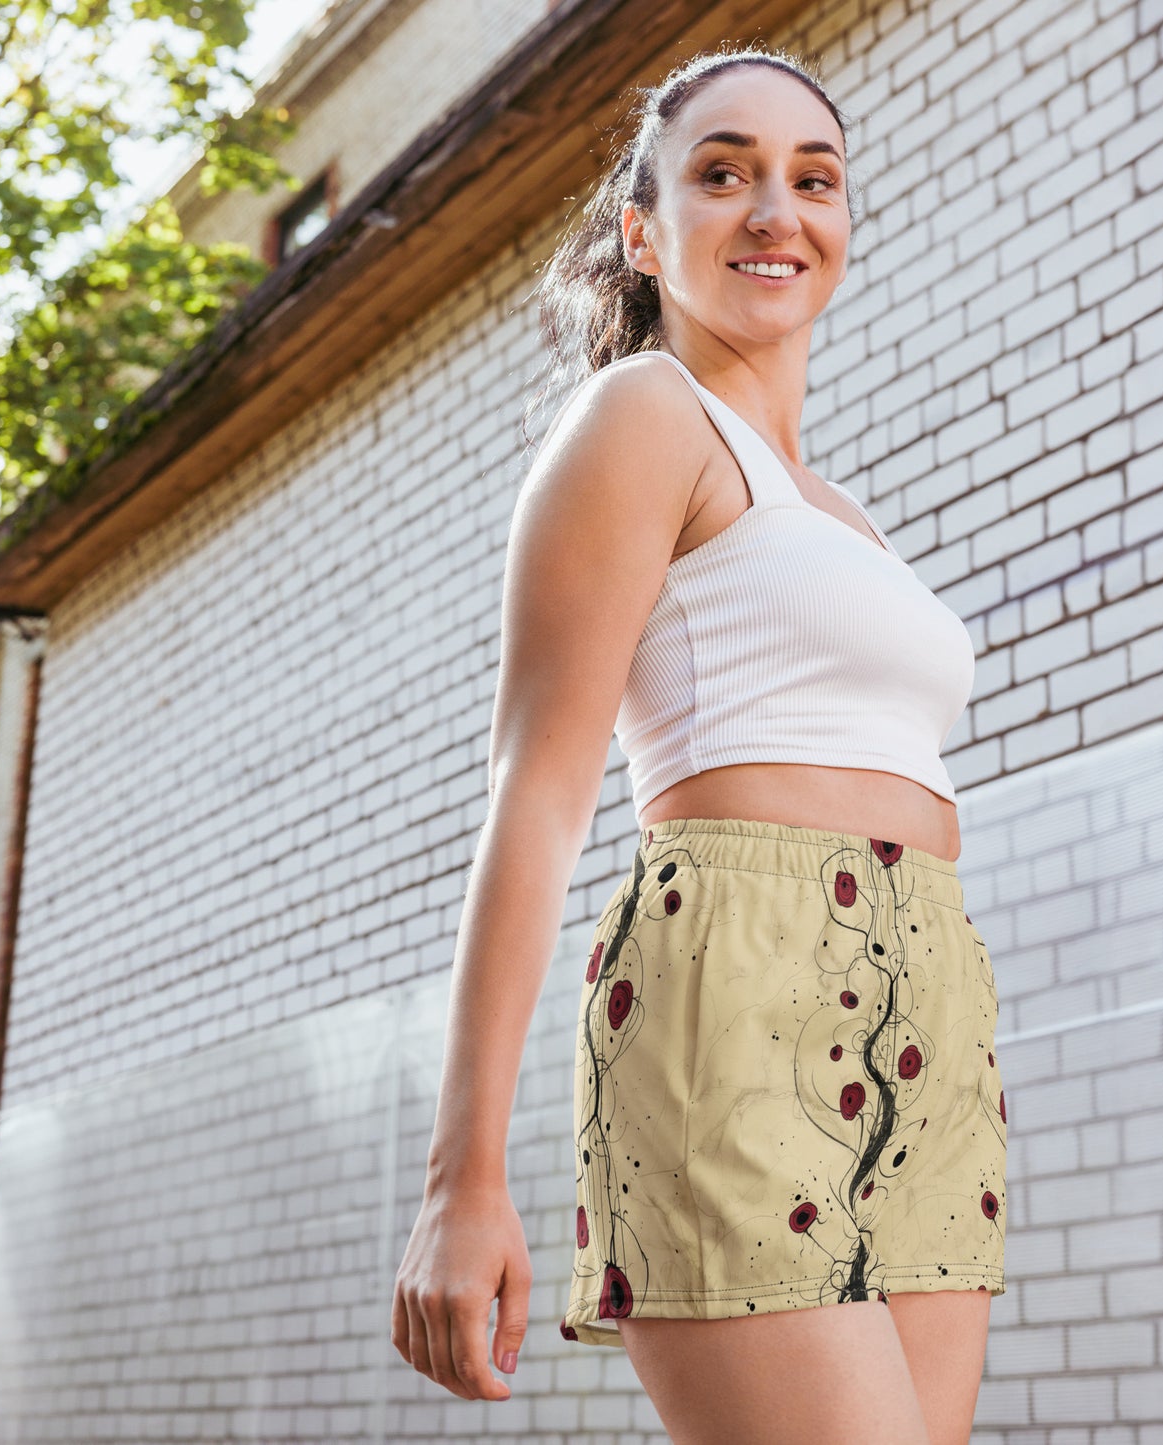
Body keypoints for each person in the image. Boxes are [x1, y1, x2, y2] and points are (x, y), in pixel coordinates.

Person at [391, 44, 1006, 1445]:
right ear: (642, 230)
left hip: (931, 1006)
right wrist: (460, 1176)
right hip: (734, 976)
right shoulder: (640, 417)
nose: (774, 210)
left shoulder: (842, 509)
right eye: (722, 173)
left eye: (813, 179)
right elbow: (534, 795)